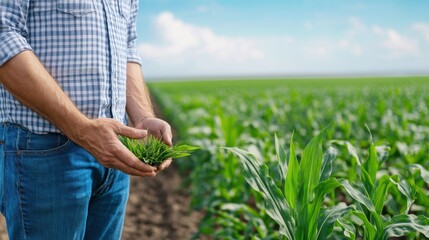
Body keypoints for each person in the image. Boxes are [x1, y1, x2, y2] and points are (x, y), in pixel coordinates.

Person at [0, 0, 172, 239]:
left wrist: (143, 117)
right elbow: (4, 34)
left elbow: (127, 47)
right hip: (46, 150)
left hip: (115, 151)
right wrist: (82, 129)